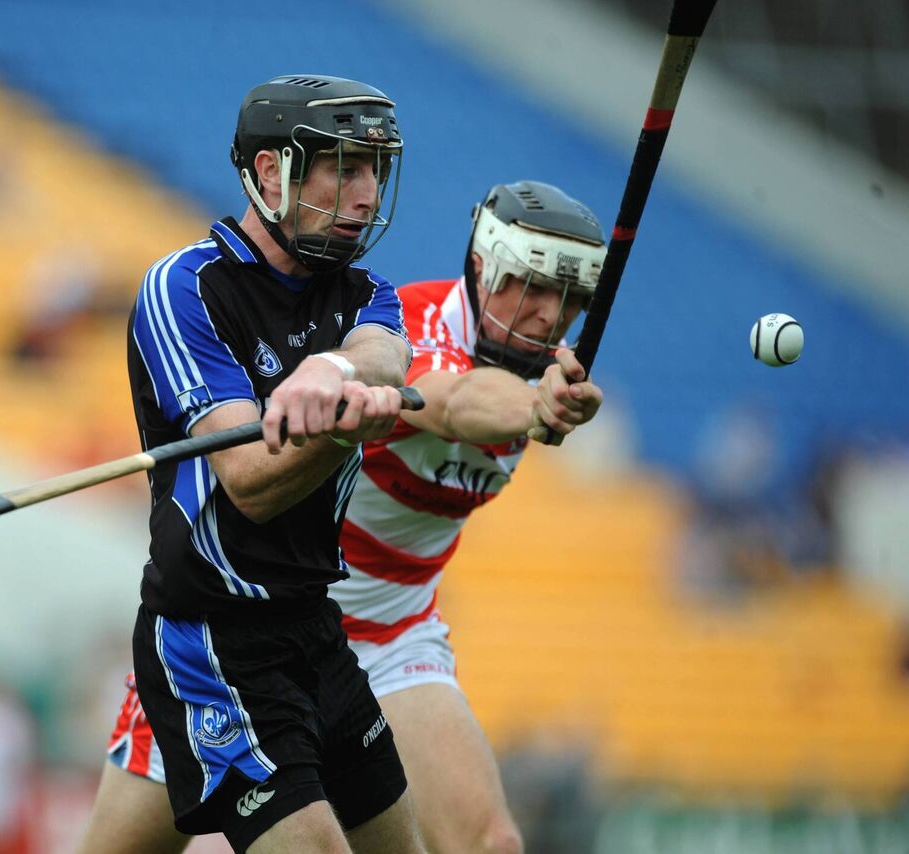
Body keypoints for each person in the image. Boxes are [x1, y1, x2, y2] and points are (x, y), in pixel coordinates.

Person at [81, 179, 607, 854]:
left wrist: (541, 399)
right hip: (253, 636)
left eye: (570, 299)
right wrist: (536, 410)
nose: (547, 314)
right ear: (484, 267)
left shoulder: (552, 373)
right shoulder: (408, 324)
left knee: (489, 843)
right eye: (531, 286)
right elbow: (448, 403)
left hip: (392, 635)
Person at [92, 74, 429, 854]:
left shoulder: (368, 295)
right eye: (343, 168)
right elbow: (247, 483)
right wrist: (343, 432)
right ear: (272, 174)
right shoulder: (186, 289)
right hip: (214, 641)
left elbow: (383, 357)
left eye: (375, 169)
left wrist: (336, 377)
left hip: (314, 627)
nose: (365, 194)